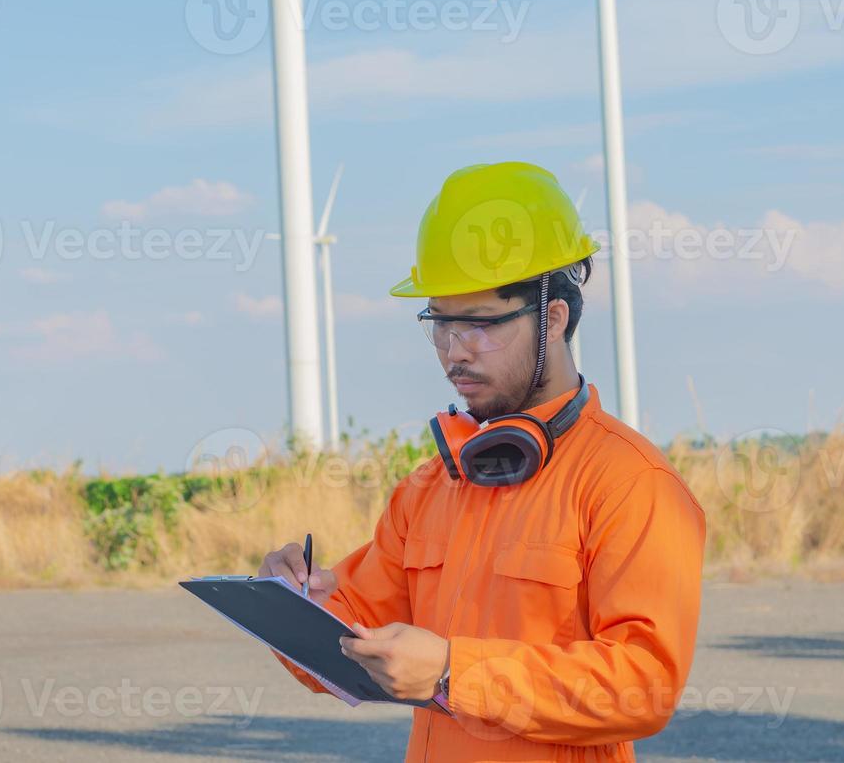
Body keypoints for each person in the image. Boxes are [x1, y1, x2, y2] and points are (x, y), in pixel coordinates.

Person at [259, 162, 706, 762]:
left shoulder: (629, 483)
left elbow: (642, 686)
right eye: (440, 325)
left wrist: (451, 673)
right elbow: (346, 640)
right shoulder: (430, 488)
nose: (454, 352)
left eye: (480, 325)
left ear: (553, 317)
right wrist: (291, 605)